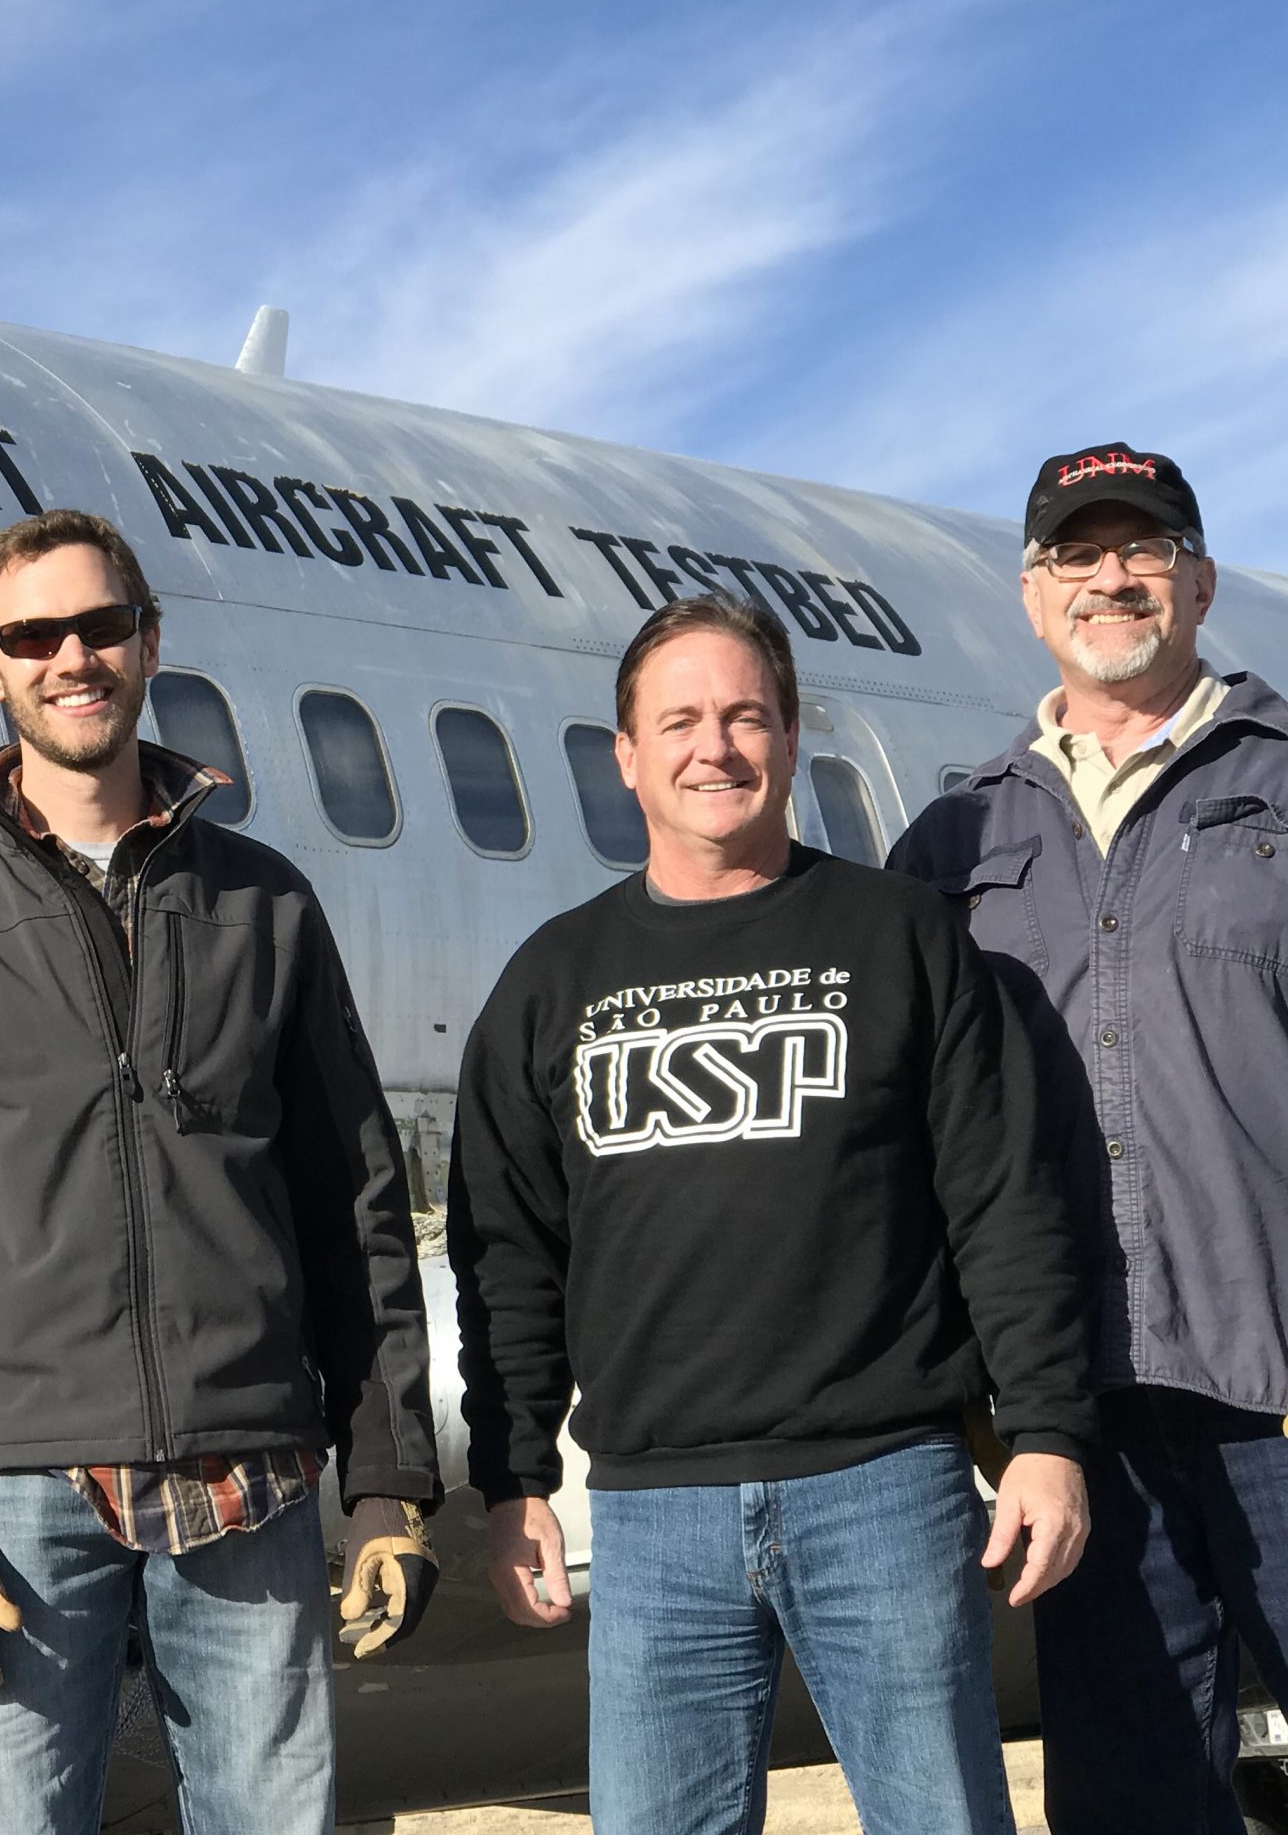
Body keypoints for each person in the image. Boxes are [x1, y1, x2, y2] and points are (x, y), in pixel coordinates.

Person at [0, 509, 440, 1835]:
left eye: (99, 627)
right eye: (33, 636)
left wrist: (388, 1486)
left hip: (248, 1476)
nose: (70, 657)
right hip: (18, 1492)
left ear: (151, 644)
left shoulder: (267, 903)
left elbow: (351, 1206)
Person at [450, 592, 1094, 1835]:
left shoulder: (899, 936)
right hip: (649, 1518)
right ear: (625, 754)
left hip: (886, 1491)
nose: (716, 747)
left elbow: (1003, 1205)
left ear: (792, 739)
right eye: (679, 720)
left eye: (747, 716)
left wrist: (1049, 1435)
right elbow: (507, 1253)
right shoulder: (552, 980)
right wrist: (513, 1477)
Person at [890, 442, 1288, 1830]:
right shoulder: (954, 840)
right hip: (1081, 1410)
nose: (1110, 577)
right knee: (1132, 1797)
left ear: (1198, 576)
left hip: (1278, 1379)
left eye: (1142, 548)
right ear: (1030, 593)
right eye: (1076, 554)